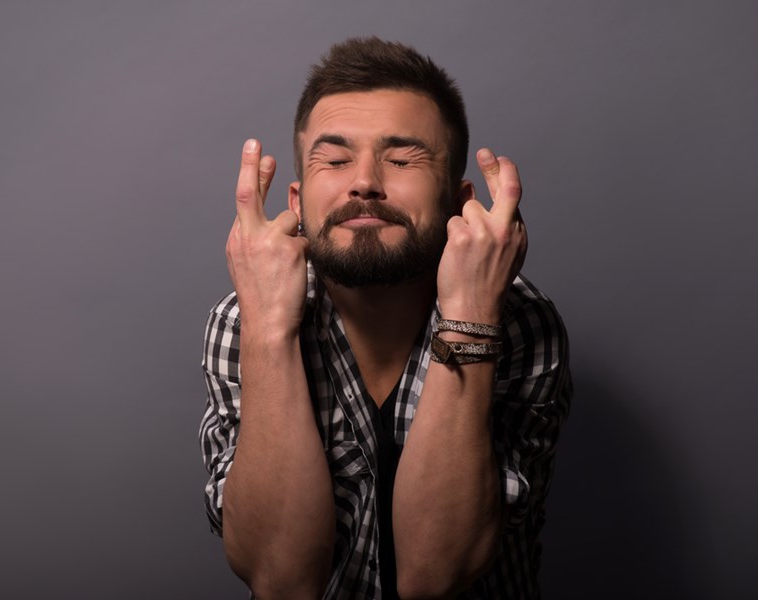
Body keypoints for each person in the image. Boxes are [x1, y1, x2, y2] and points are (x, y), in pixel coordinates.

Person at [199, 37, 571, 600]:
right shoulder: (239, 320)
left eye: (401, 160)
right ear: (296, 203)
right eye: (335, 160)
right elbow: (281, 580)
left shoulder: (522, 321)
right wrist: (268, 330)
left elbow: (435, 577)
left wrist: (472, 316)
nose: (365, 181)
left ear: (459, 202)